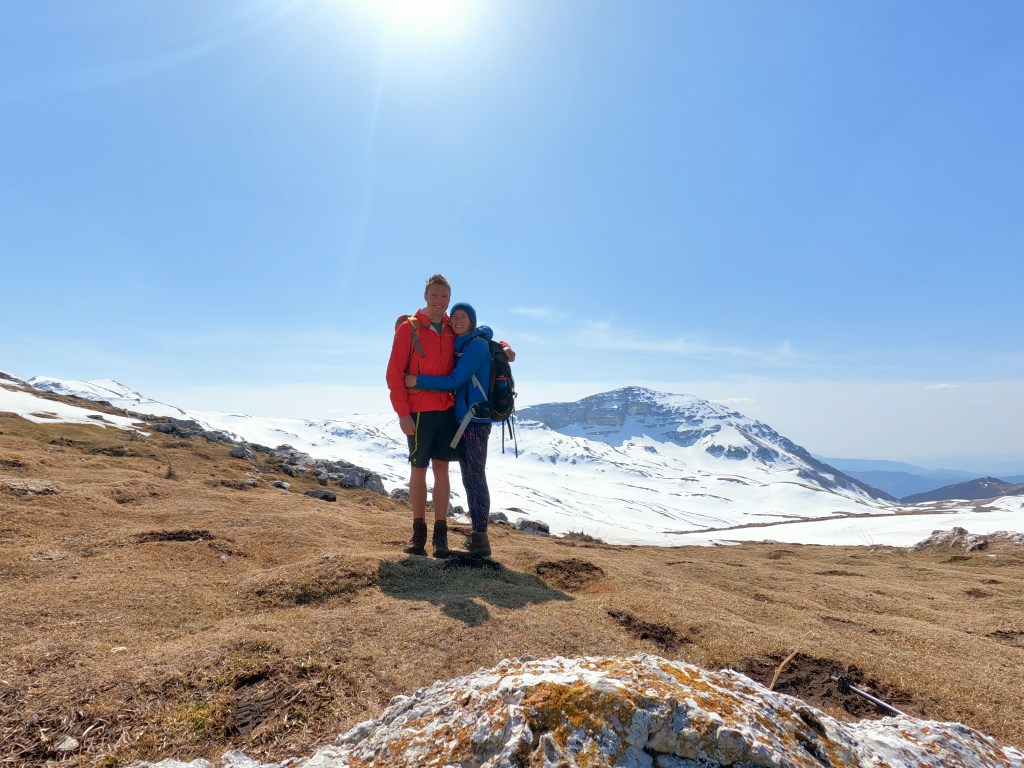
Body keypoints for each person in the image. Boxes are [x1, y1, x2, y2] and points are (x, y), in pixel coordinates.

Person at [406, 302, 503, 558]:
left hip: (475, 422)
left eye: (464, 316)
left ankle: (480, 542)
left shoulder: (477, 346)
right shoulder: (464, 344)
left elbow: (455, 380)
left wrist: (418, 380)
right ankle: (477, 538)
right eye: (455, 316)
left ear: (472, 321)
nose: (459, 320)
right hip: (465, 421)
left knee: (474, 478)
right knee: (470, 477)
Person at [386, 274, 460, 558]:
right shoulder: (409, 328)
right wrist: (403, 413)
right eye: (435, 295)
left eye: (444, 296)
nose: (440, 301)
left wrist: (503, 346)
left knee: (442, 468)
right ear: (426, 296)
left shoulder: (454, 327)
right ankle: (418, 535)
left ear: (449, 299)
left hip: (447, 410)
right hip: (418, 412)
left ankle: (441, 537)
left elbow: (482, 335)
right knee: (419, 469)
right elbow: (394, 374)